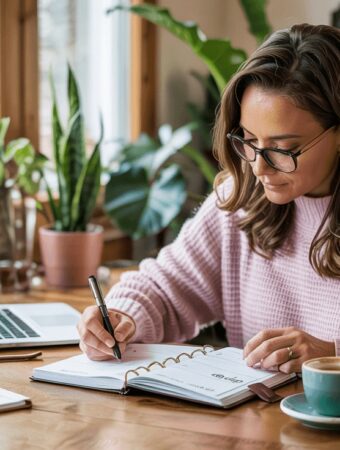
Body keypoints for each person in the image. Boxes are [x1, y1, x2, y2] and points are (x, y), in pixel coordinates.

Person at [78, 23, 340, 374]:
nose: (259, 167)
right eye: (248, 139)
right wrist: (122, 316)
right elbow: (165, 287)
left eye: (283, 149)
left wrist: (331, 355)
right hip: (256, 424)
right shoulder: (242, 198)